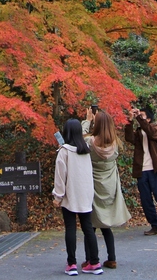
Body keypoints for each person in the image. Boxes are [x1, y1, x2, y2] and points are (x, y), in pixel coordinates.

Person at [53, 118, 103, 276]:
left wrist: (58, 196)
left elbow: (60, 176)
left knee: (71, 228)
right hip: (85, 194)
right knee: (88, 228)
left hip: (70, 195)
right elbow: (88, 174)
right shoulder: (85, 150)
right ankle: (95, 263)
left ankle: (72, 264)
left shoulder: (64, 152)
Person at [82, 109, 131, 269]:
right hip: (109, 187)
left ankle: (90, 258)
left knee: (90, 225)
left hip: (93, 186)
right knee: (106, 226)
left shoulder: (90, 143)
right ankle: (112, 258)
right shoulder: (116, 144)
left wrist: (87, 120)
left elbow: (79, 139)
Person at [125, 106, 157, 236]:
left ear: (148, 118)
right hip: (142, 171)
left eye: (142, 115)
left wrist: (139, 118)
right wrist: (130, 120)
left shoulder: (155, 128)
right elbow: (129, 138)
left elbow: (151, 132)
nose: (140, 117)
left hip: (156, 169)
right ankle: (155, 226)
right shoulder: (139, 133)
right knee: (146, 200)